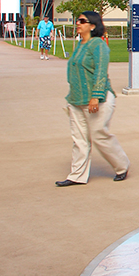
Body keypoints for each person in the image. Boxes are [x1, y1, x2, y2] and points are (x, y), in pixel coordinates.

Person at [57, 11, 130, 187]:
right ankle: (76, 175)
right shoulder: (80, 44)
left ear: (93, 26)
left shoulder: (98, 45)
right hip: (76, 99)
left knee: (99, 135)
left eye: (82, 21)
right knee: (79, 138)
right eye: (78, 20)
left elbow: (100, 71)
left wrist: (96, 97)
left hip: (98, 98)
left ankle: (121, 166)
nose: (78, 23)